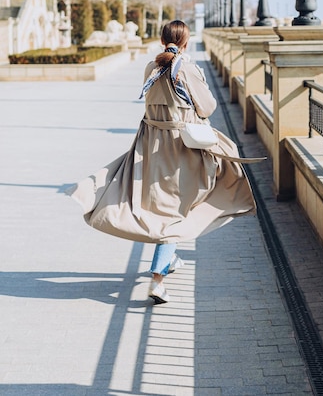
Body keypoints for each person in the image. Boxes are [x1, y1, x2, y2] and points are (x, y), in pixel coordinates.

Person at [69, 20, 256, 304]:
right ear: (186, 41)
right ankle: (158, 278)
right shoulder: (187, 69)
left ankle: (169, 259)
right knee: (174, 209)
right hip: (180, 149)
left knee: (163, 205)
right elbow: (208, 107)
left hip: (151, 144)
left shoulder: (151, 68)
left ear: (161, 39)